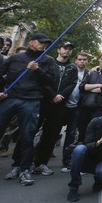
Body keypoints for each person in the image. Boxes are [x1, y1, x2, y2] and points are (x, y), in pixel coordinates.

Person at [0, 33, 56, 186]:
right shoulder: (15, 58)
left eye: (46, 43)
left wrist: (38, 70)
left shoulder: (47, 61)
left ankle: (24, 169)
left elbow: (51, 81)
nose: (44, 44)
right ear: (31, 42)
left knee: (27, 136)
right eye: (41, 42)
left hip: (32, 101)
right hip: (9, 98)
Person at [31, 41, 78, 177]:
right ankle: (23, 163)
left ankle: (41, 163)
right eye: (65, 48)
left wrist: (61, 96)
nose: (67, 51)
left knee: (50, 136)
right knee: (32, 131)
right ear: (58, 49)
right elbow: (43, 81)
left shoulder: (72, 68)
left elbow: (72, 84)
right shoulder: (48, 63)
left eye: (70, 49)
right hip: (44, 102)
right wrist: (51, 95)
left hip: (60, 106)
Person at [67, 97, 102, 202]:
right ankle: (73, 188)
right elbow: (87, 144)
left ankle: (98, 180)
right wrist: (100, 141)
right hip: (88, 157)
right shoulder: (95, 122)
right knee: (79, 150)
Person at [61, 51, 89, 172]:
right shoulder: (69, 70)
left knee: (71, 134)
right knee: (53, 132)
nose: (82, 61)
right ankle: (40, 160)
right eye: (80, 59)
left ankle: (67, 161)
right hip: (62, 105)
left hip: (77, 107)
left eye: (84, 60)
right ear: (76, 60)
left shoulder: (89, 73)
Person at [77, 51, 102, 144]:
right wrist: (97, 85)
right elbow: (81, 87)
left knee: (93, 133)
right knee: (81, 132)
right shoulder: (92, 72)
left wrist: (88, 87)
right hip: (84, 106)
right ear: (99, 59)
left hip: (98, 108)